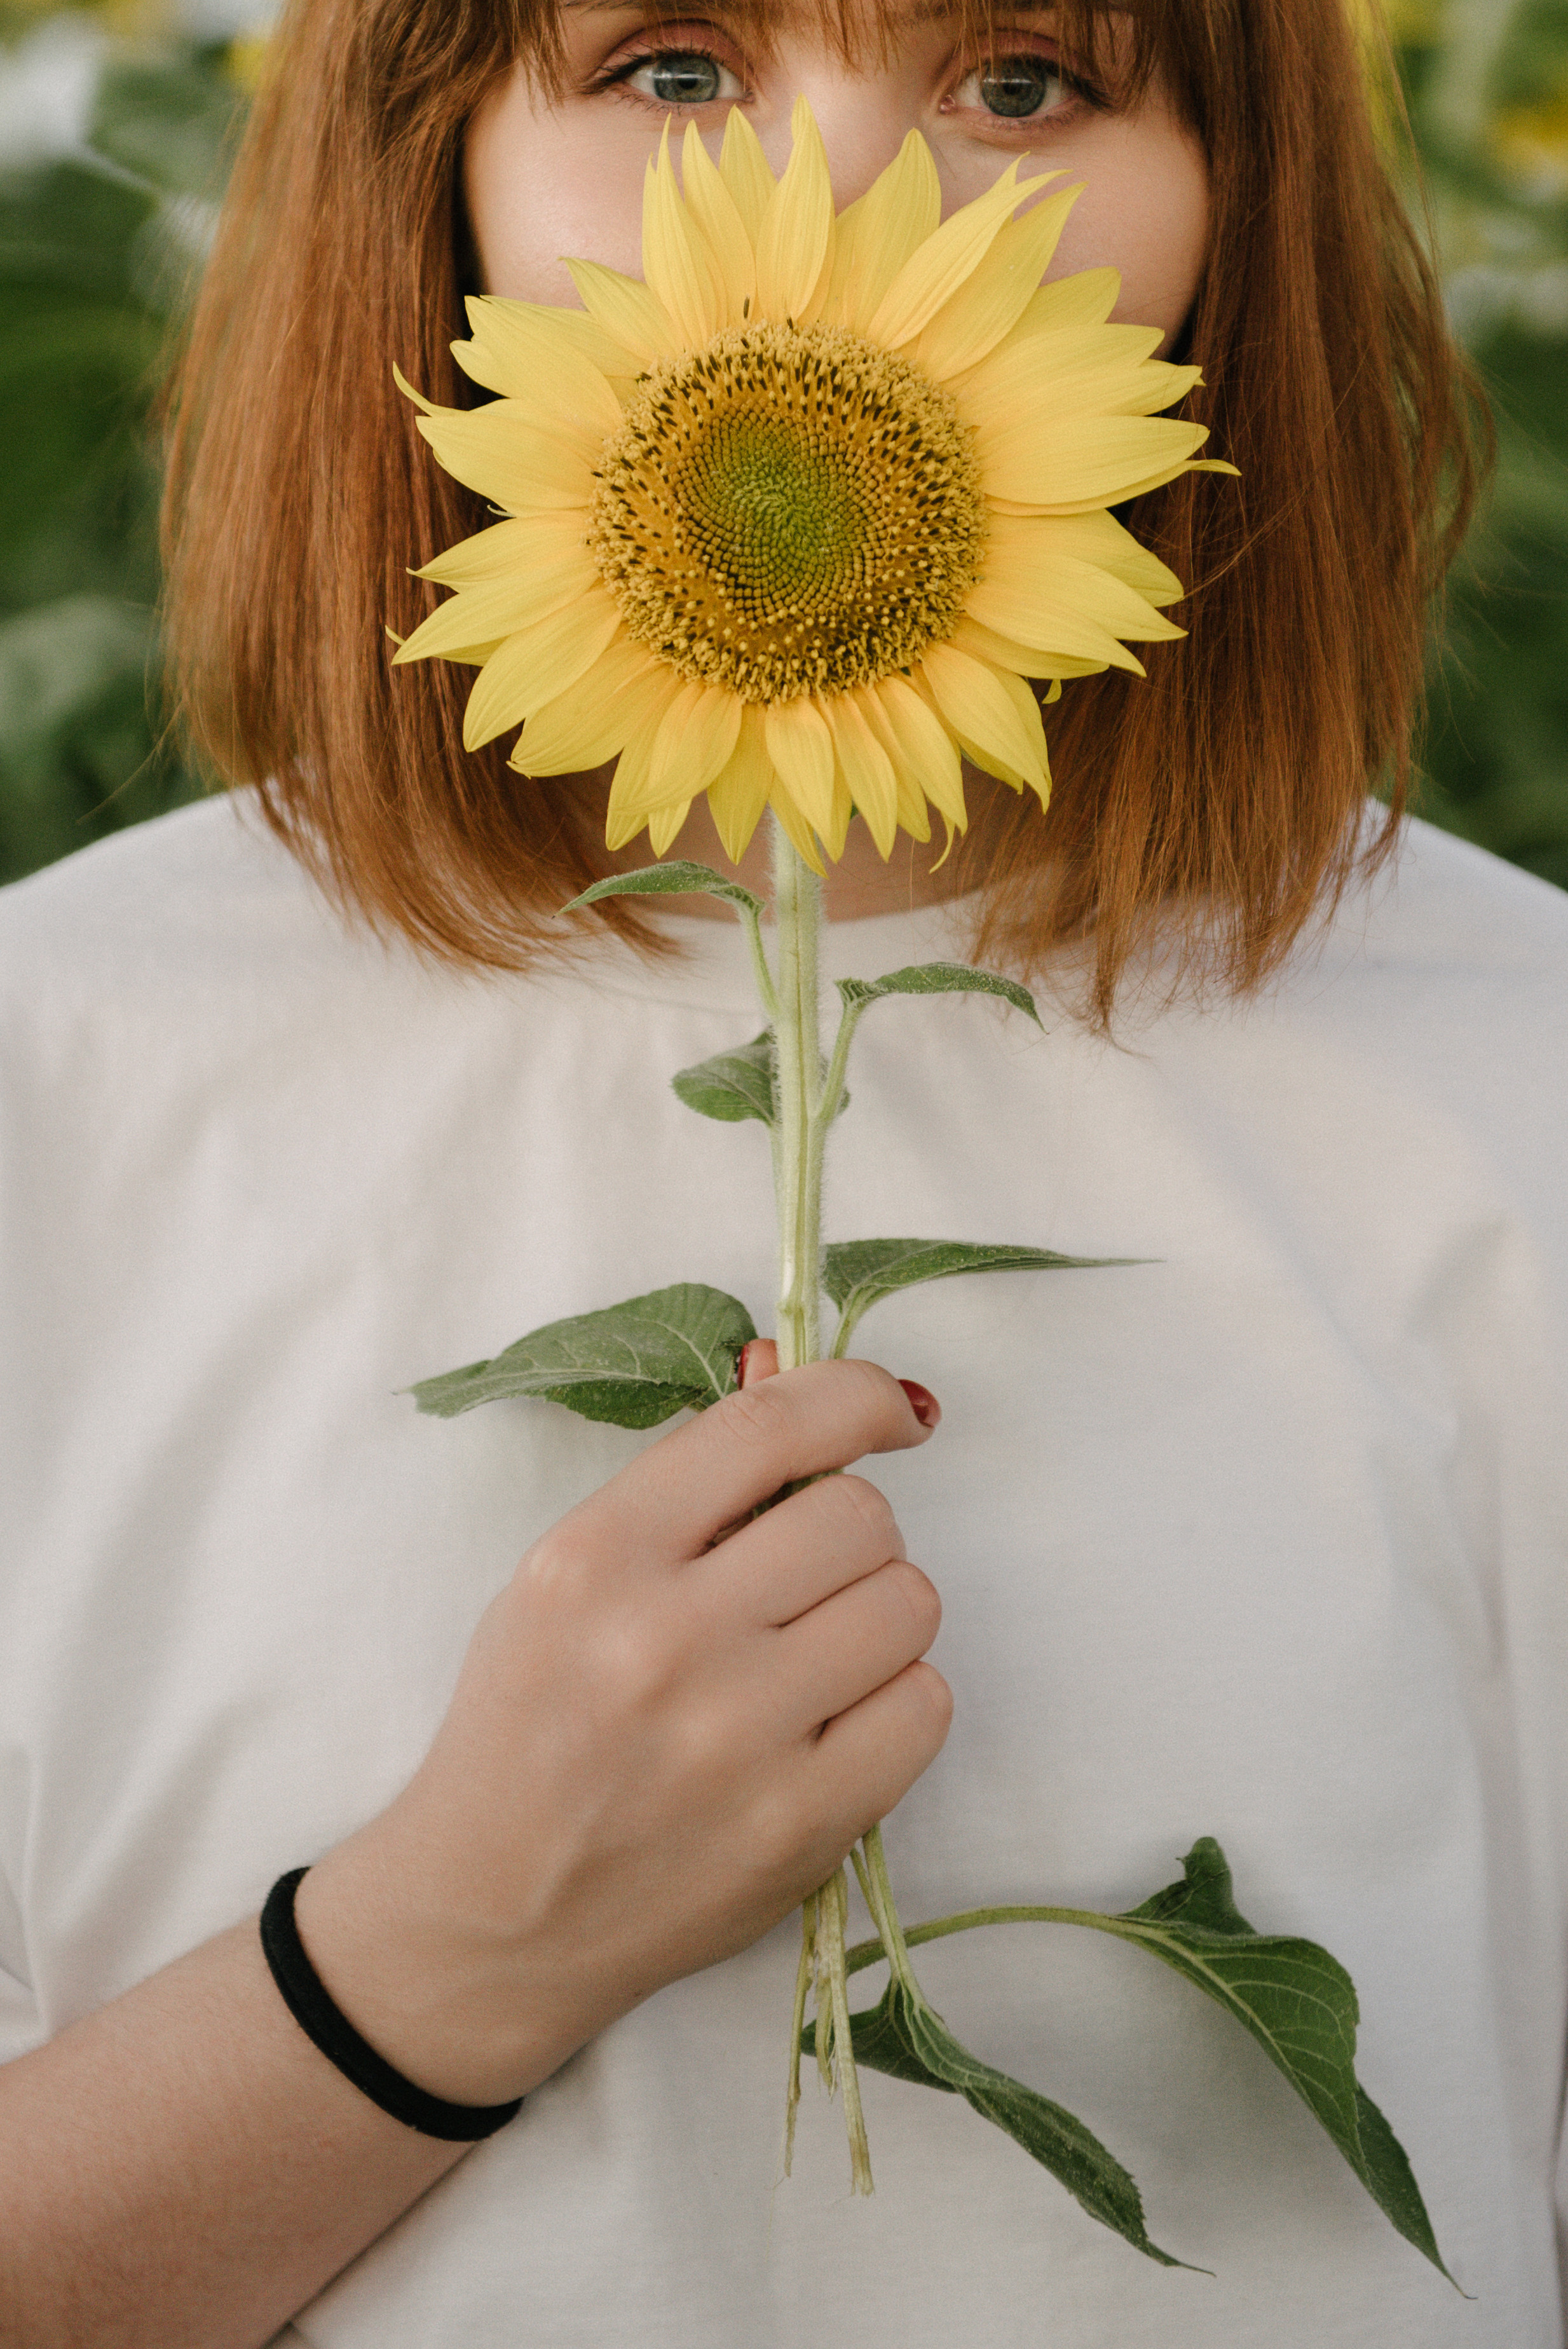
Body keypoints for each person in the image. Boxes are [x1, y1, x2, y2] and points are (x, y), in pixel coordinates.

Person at [1, 1, 1564, 2343]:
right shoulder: (60, 1069)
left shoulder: (1514, 1078)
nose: (843, 213)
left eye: (1025, 80)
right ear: (426, 167)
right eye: (669, 67)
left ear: (1247, 202)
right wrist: (436, 1954)